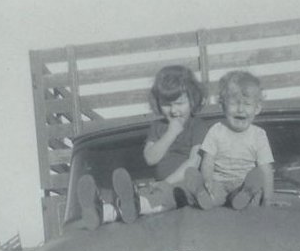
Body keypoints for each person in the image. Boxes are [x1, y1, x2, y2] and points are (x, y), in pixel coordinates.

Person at [77, 65, 208, 229]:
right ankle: (101, 212)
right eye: (167, 105)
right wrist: (170, 134)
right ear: (158, 104)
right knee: (144, 196)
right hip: (160, 187)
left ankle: (129, 206)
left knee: (166, 195)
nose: (174, 110)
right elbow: (151, 158)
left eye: (179, 103)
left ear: (193, 100)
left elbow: (194, 162)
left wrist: (167, 183)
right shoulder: (158, 127)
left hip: (187, 187)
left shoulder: (197, 126)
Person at [184, 70, 274, 210]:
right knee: (213, 196)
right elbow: (208, 161)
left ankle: (246, 195)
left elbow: (266, 169)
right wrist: (208, 181)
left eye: (247, 104)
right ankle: (201, 193)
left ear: (257, 108)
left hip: (244, 183)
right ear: (222, 106)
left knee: (257, 177)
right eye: (234, 104)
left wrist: (268, 200)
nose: (240, 109)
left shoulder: (259, 135)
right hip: (219, 182)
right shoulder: (216, 130)